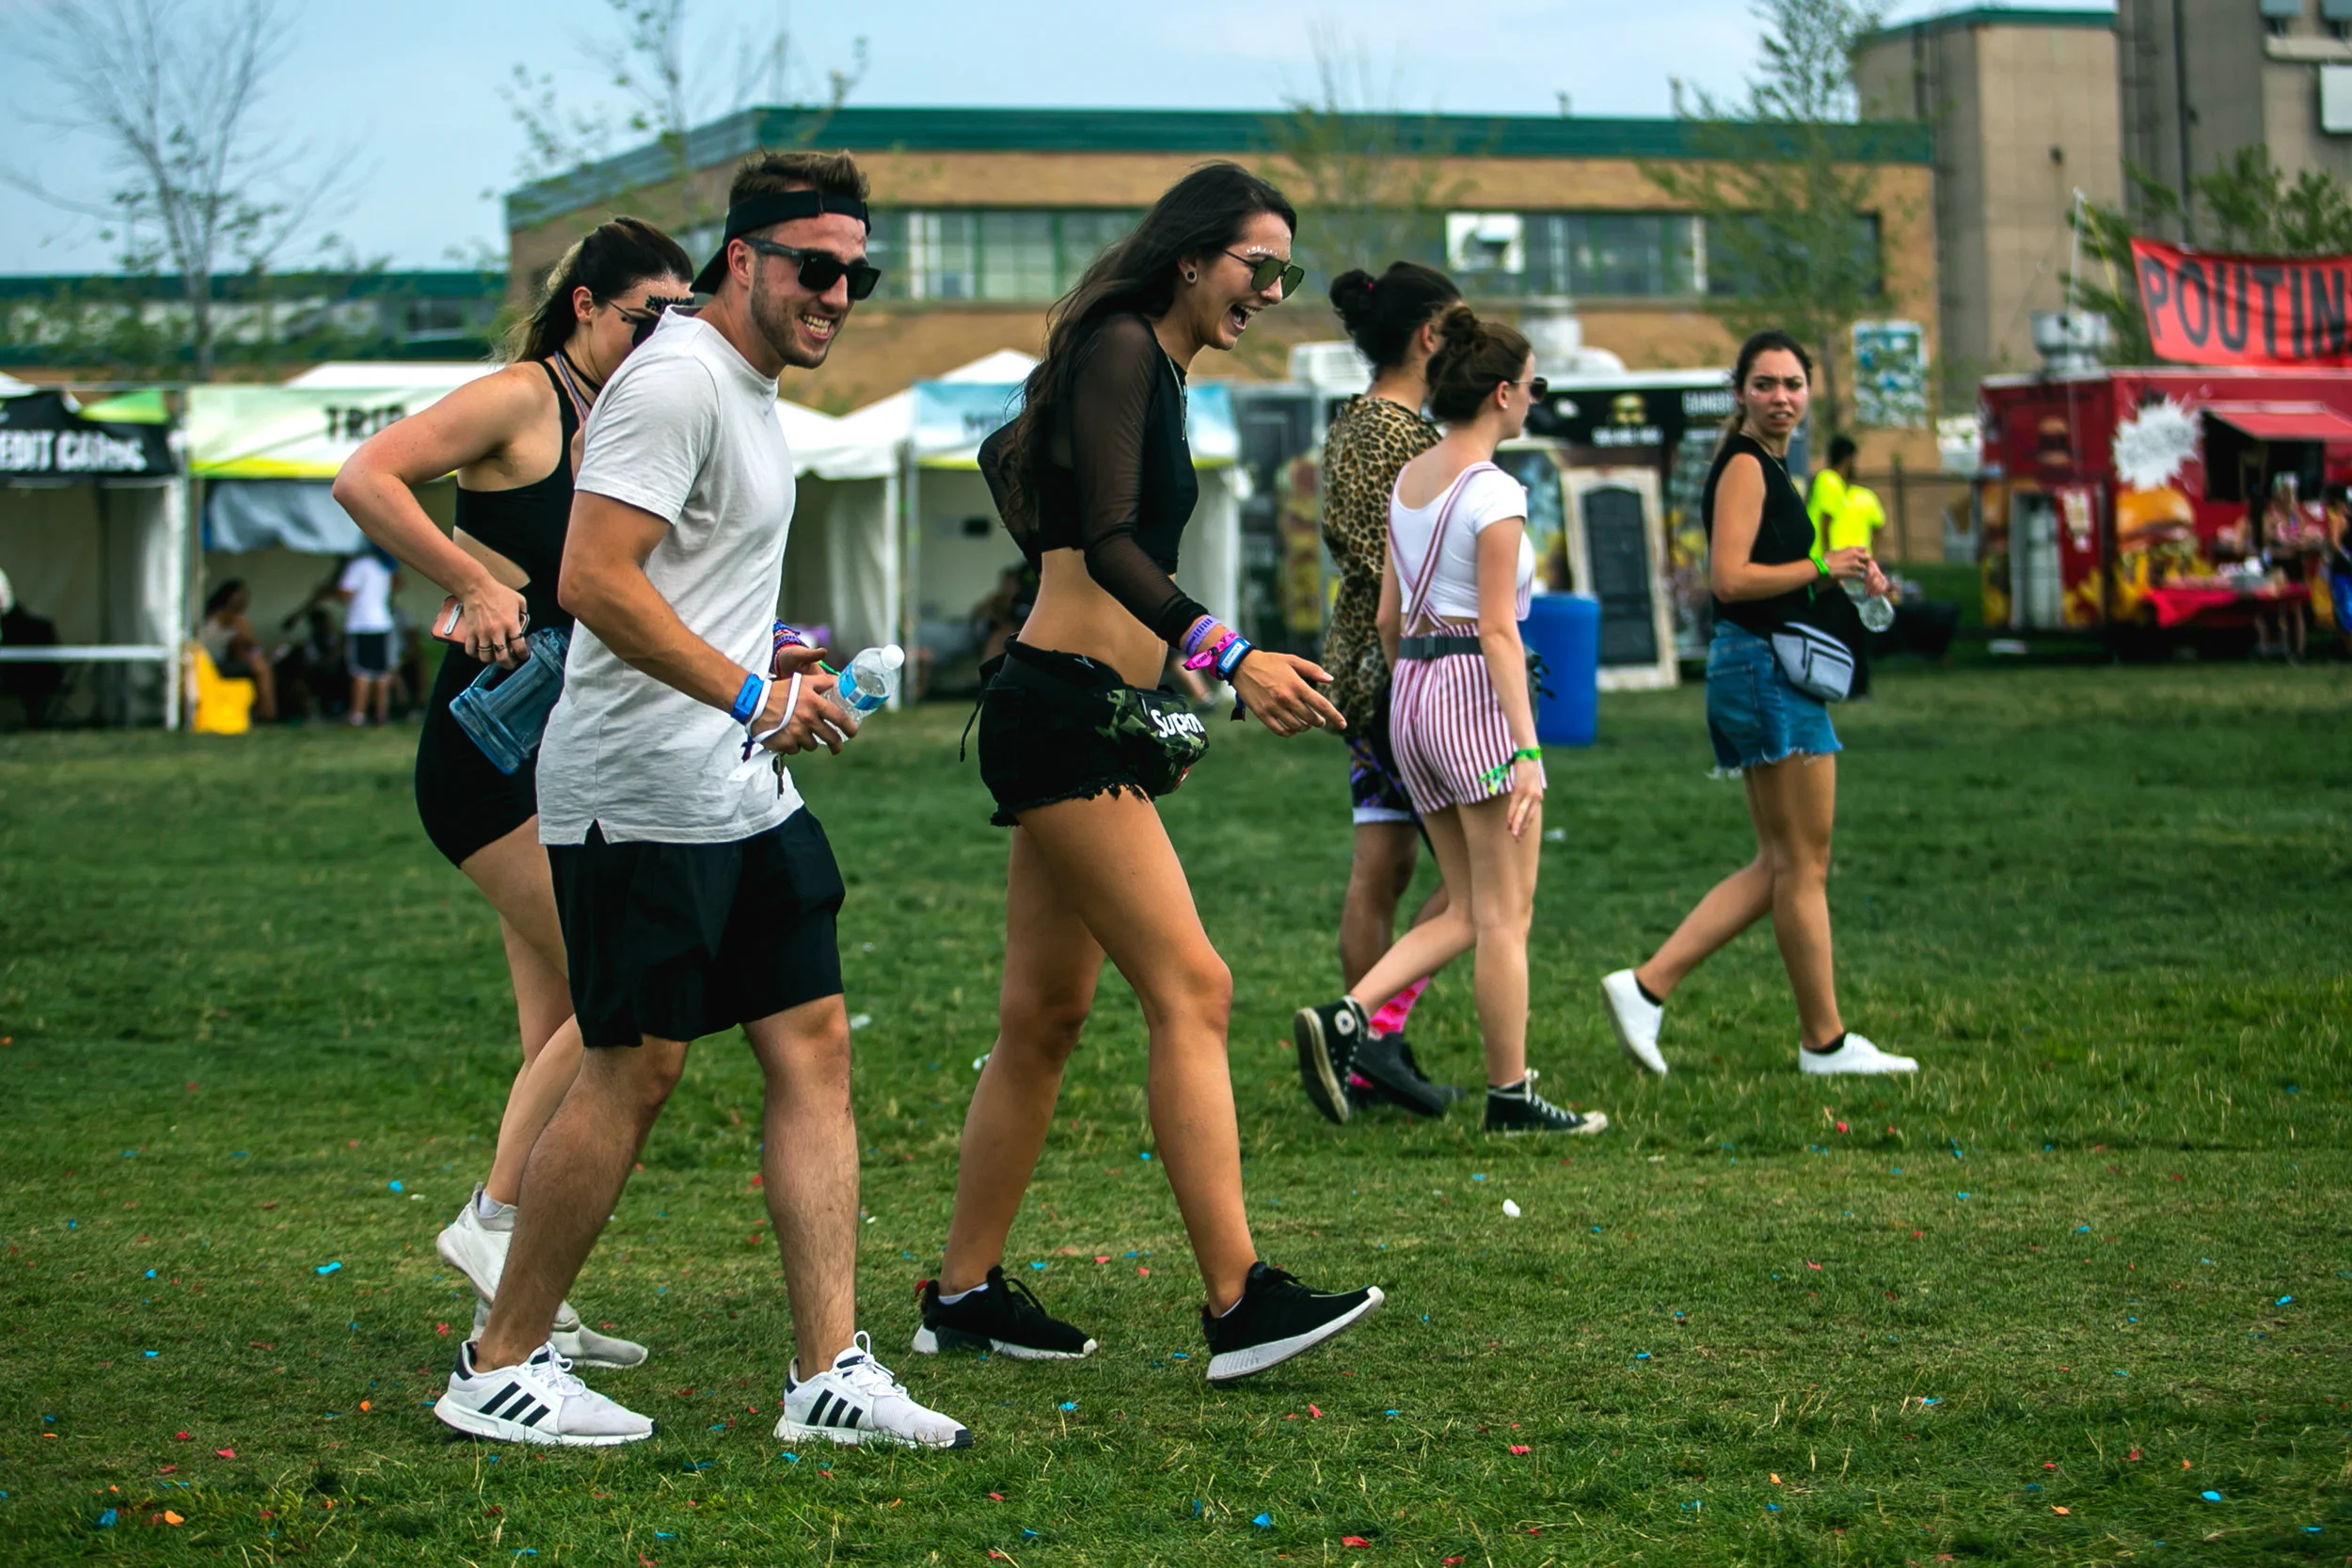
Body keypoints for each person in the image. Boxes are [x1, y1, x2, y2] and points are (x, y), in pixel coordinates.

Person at [433, 150, 970, 1450]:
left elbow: (672, 579)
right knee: (632, 1066)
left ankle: (828, 1367)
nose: (838, 293)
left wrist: (764, 666)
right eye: (814, 267)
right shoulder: (675, 380)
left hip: (739, 783)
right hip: (639, 787)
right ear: (743, 260)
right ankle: (496, 1359)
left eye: (858, 271)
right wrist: (747, 693)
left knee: (815, 1042)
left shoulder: (742, 386)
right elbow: (593, 578)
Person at [923, 162, 1383, 1381]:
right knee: (1196, 986)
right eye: (1257, 267)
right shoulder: (1124, 343)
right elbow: (1113, 542)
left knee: (1046, 1015)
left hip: (1086, 708)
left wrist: (1150, 678)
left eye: (1282, 273)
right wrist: (1226, 652)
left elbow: (1053, 505)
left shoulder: (1143, 362)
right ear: (1191, 257)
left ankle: (961, 1290)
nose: (1271, 290)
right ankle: (1240, 1299)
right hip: (1061, 713)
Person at [334, 214, 696, 1372]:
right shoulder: (518, 399)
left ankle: (530, 1299)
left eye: (680, 321)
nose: (662, 339)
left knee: (564, 1033)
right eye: (647, 316)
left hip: (570, 758)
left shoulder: (629, 413)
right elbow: (365, 475)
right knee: (622, 983)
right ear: (585, 304)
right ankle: (491, 1222)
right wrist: (471, 573)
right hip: (486, 758)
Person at [1293, 309, 1610, 1138]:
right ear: (1503, 393)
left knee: (1469, 908)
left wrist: (1417, 699)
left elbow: (1392, 617)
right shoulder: (1496, 490)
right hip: (1475, 691)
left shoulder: (1413, 480)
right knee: (1506, 914)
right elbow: (1501, 629)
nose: (1534, 399)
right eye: (1533, 385)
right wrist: (1528, 749)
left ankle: (1348, 1018)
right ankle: (1511, 1094)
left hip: (1414, 695)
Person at [1598, 330, 1916, 1079]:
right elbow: (1731, 580)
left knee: (1786, 861)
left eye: (1793, 384)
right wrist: (1819, 562)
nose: (1781, 396)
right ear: (1740, 391)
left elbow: (1772, 577)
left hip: (1763, 669)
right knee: (1802, 862)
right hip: (1764, 673)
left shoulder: (1767, 465)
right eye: (1766, 383)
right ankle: (1820, 1042)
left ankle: (1653, 988)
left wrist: (1839, 578)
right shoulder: (1746, 464)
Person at [1296, 261, 1466, 1126]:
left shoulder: (1369, 425)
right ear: (1431, 334)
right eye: (1460, 327)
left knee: (1387, 865)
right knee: (1476, 876)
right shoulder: (1390, 433)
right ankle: (1368, 1033)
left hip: (1370, 668)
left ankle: (1363, 1048)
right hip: (1407, 668)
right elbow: (1392, 556)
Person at [198, 578, 278, 721]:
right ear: (231, 597)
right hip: (211, 665)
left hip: (212, 662)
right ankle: (268, 714)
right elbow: (253, 643)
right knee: (262, 668)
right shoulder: (232, 618)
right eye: (242, 596)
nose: (245, 601)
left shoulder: (214, 616)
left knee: (258, 664)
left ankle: (262, 712)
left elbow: (243, 646)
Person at [337, 546, 400, 725]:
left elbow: (345, 593)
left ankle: (357, 715)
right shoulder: (385, 566)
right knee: (382, 673)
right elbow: (398, 584)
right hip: (382, 622)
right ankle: (381, 715)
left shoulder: (358, 565)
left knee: (360, 671)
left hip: (361, 624)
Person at [1805, 434, 1855, 567]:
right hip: (1818, 557)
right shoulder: (1831, 482)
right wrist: (1829, 559)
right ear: (1848, 458)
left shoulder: (1826, 479)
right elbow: (1825, 522)